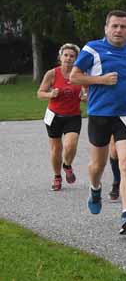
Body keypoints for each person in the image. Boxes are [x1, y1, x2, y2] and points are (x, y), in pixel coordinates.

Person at [70, 10, 126, 235]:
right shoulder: (92, 49)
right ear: (106, 28)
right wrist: (100, 80)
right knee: (98, 166)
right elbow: (74, 76)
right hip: (99, 114)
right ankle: (95, 188)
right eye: (114, 26)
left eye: (123, 27)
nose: (119, 30)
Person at [37, 43, 85, 191]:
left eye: (72, 56)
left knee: (71, 145)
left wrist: (85, 97)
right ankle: (57, 177)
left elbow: (87, 93)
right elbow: (40, 93)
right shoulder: (52, 74)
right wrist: (51, 94)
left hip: (73, 116)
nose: (68, 58)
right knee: (56, 149)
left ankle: (67, 165)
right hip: (54, 116)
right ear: (60, 57)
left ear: (76, 59)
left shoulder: (80, 74)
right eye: (66, 55)